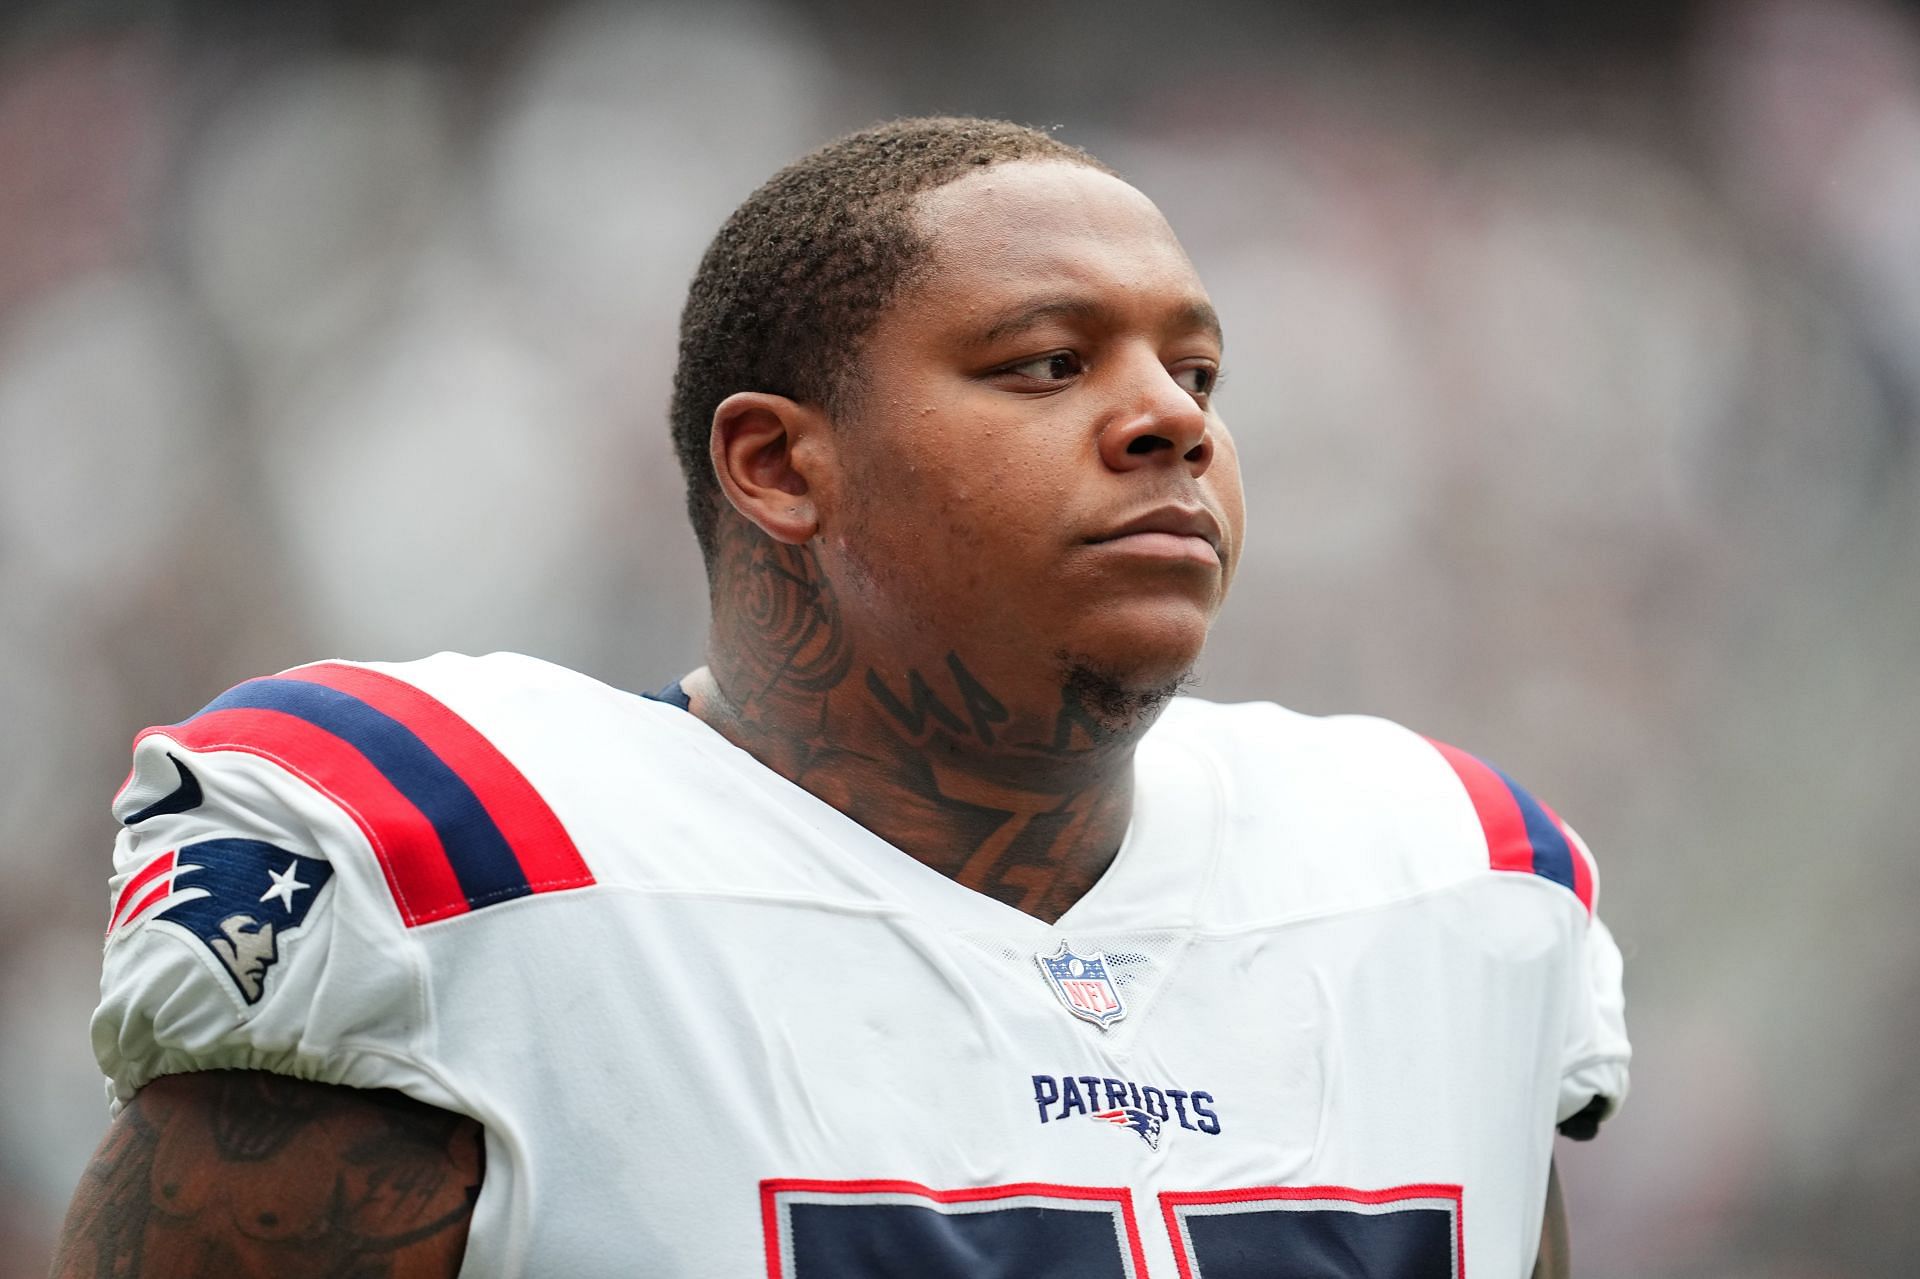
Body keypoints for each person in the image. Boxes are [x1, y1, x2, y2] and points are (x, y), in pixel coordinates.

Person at [52, 116, 1628, 1278]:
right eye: (1045, 362)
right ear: (779, 465)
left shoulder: (1450, 881)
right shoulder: (466, 875)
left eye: (1197, 373)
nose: (1169, 421)